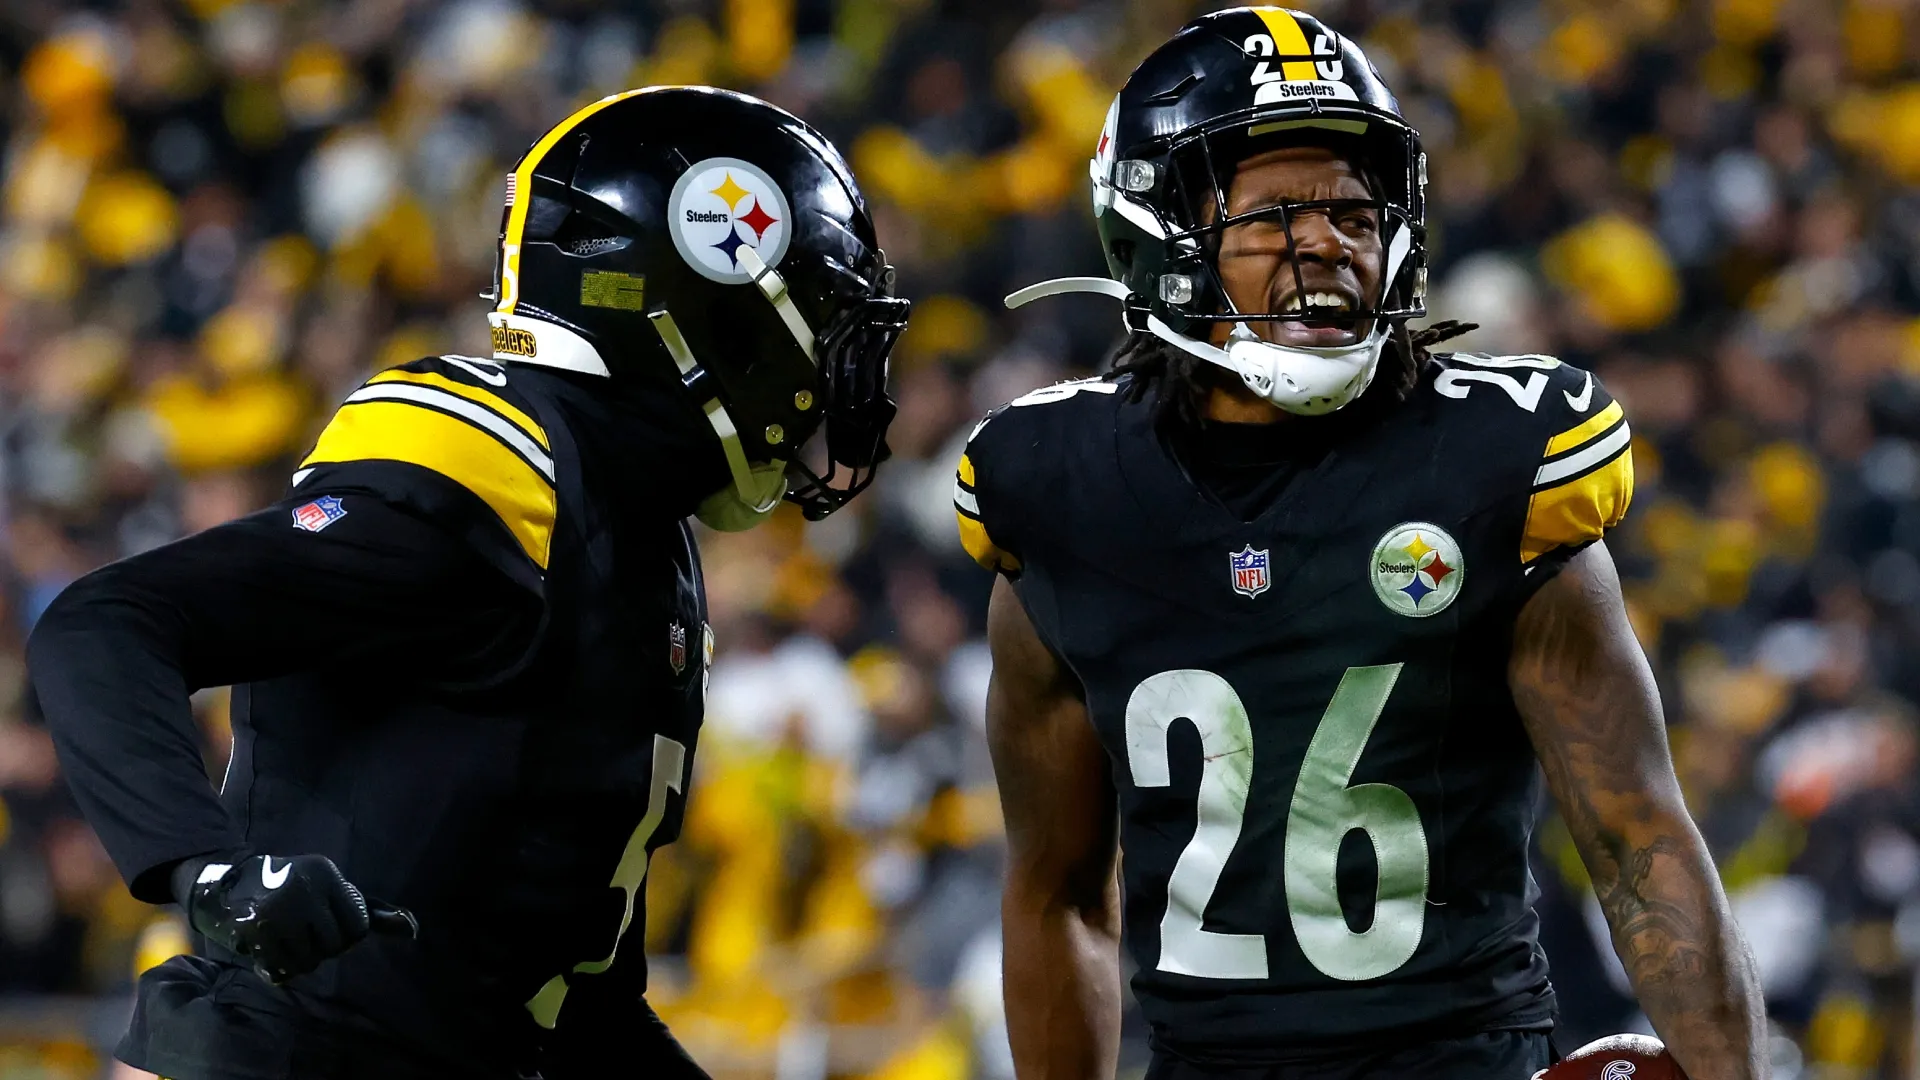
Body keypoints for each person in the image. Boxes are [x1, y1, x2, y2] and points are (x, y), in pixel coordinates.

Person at [28, 86, 909, 1080]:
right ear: (706, 313)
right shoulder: (495, 470)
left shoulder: (642, 543)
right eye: (817, 326)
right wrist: (209, 871)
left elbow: (573, 1003)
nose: (838, 377)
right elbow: (107, 622)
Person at [958, 9, 1766, 1080]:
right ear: (1160, 235)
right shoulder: (1061, 493)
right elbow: (1059, 892)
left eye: (1352, 207)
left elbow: (1640, 846)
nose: (1326, 241)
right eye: (1275, 212)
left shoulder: (1493, 462)